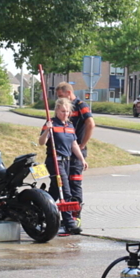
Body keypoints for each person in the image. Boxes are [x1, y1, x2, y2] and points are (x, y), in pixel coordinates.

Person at [39, 97, 88, 235]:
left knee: (54, 191)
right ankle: (69, 223)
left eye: (67, 112)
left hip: (67, 161)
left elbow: (73, 144)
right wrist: (47, 131)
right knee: (65, 191)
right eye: (62, 111)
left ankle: (39, 207)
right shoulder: (51, 123)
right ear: (56, 111)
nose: (65, 114)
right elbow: (42, 142)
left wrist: (81, 159)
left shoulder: (70, 126)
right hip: (55, 161)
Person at [55, 82, 94, 224]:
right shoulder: (62, 111)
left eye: (60, 96)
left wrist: (82, 145)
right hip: (64, 153)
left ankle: (75, 217)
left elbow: (91, 124)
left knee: (74, 183)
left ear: (68, 93)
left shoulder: (80, 105)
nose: (59, 100)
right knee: (61, 185)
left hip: (76, 152)